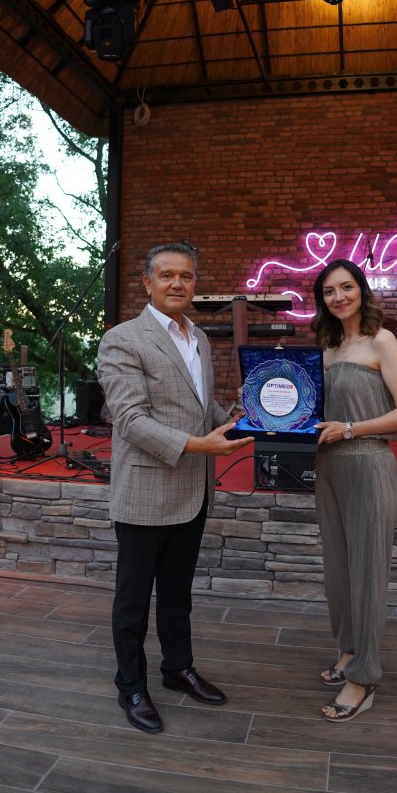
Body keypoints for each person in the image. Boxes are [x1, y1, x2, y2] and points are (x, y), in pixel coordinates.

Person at [97, 242, 254, 734]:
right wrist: (199, 445)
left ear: (194, 284)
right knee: (132, 602)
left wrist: (246, 413)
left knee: (177, 594)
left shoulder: (199, 339)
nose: (177, 283)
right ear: (147, 283)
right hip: (145, 493)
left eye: (186, 276)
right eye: (166, 275)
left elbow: (202, 410)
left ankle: (177, 669)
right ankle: (131, 686)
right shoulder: (123, 339)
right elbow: (130, 420)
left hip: (194, 491)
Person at [311, 258, 397, 722]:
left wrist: (351, 428)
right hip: (328, 465)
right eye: (329, 291)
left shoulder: (382, 340)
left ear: (362, 290)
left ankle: (365, 676)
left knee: (368, 570)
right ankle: (350, 649)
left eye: (346, 287)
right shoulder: (328, 345)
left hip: (369, 461)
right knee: (338, 568)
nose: (338, 297)